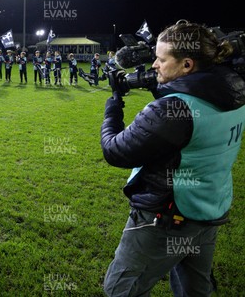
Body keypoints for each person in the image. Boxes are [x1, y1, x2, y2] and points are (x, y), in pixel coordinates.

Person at [101, 20, 245, 296]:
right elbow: (196, 103)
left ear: (187, 65)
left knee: (120, 289)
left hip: (167, 217)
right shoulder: (234, 91)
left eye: (161, 59)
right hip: (208, 212)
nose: (154, 64)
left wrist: (113, 107)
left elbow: (114, 150)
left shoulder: (173, 110)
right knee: (195, 289)